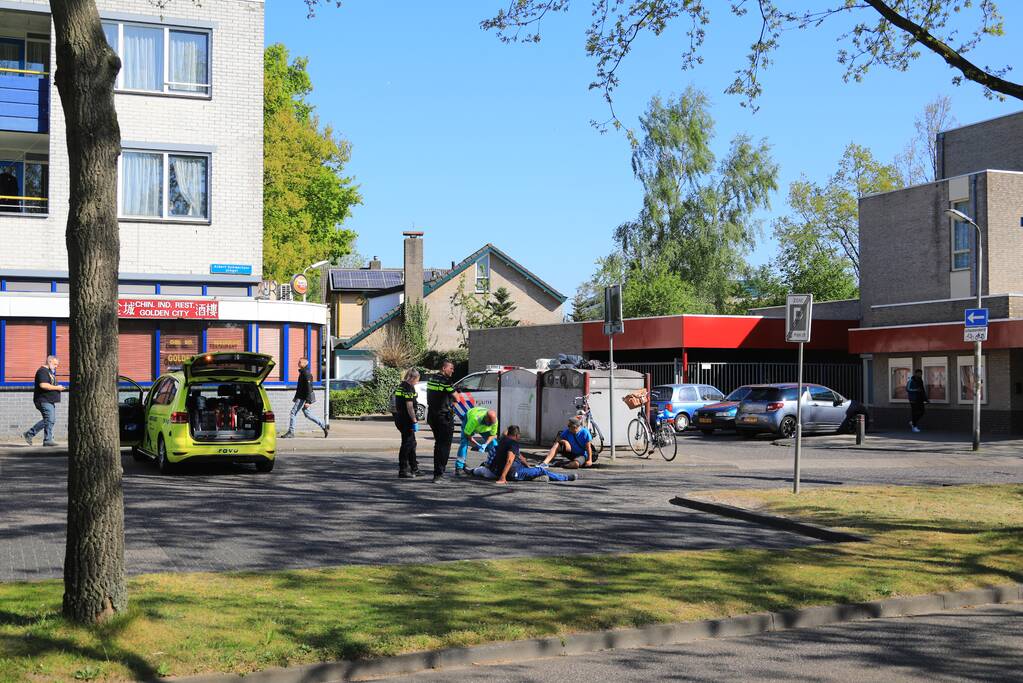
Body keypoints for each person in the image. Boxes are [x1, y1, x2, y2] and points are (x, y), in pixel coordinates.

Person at [473, 425, 576, 483]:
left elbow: (520, 456)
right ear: (517, 435)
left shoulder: (502, 441)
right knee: (541, 470)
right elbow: (509, 460)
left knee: (533, 470)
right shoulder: (513, 444)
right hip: (513, 473)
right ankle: (566, 478)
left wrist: (528, 466)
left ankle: (534, 475)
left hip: (501, 470)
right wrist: (502, 477)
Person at [280, 357, 329, 438]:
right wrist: (296, 397)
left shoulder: (306, 373)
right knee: (307, 413)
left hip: (303, 397)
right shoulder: (303, 372)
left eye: (300, 362)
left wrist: (308, 401)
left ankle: (291, 432)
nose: (298, 363)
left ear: (305, 363)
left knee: (293, 413)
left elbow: (309, 388)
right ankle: (323, 425)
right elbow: (301, 387)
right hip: (301, 396)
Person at [426, 359, 456, 483]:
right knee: (444, 446)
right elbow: (457, 397)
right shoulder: (446, 381)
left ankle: (437, 473)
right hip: (444, 417)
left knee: (438, 444)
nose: (452, 371)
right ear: (444, 368)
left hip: (432, 415)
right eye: (451, 368)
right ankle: (439, 475)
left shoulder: (431, 379)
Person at [23, 355, 65, 446]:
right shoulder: (42, 371)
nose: (56, 366)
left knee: (50, 420)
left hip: (49, 400)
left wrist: (58, 387)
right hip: (43, 400)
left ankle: (45, 439)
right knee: (49, 419)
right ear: (49, 362)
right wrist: (57, 387)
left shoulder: (49, 372)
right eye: (55, 364)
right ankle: (34, 435)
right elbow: (43, 385)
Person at [392, 368, 421, 478]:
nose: (417, 382)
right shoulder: (408, 388)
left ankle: (414, 468)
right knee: (407, 444)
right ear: (413, 378)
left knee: (412, 443)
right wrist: (414, 420)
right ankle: (403, 470)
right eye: (417, 379)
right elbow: (409, 407)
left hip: (400, 417)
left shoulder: (402, 385)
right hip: (406, 419)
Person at [455, 406, 498, 476]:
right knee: (464, 443)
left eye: (491, 424)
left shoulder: (494, 421)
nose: (490, 425)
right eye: (489, 423)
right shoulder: (474, 419)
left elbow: (493, 435)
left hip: (483, 429)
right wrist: (477, 444)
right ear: (486, 418)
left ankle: (494, 464)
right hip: (470, 419)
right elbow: (467, 435)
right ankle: (459, 467)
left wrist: (486, 444)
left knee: (494, 444)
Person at [906, 368, 928, 433]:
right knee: (914, 412)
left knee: (922, 411)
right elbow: (907, 389)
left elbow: (922, 390)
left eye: (921, 374)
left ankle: (913, 422)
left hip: (920, 399)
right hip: (913, 399)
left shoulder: (920, 381)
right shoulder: (911, 380)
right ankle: (914, 427)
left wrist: (925, 399)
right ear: (915, 374)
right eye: (918, 373)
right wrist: (915, 390)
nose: (920, 375)